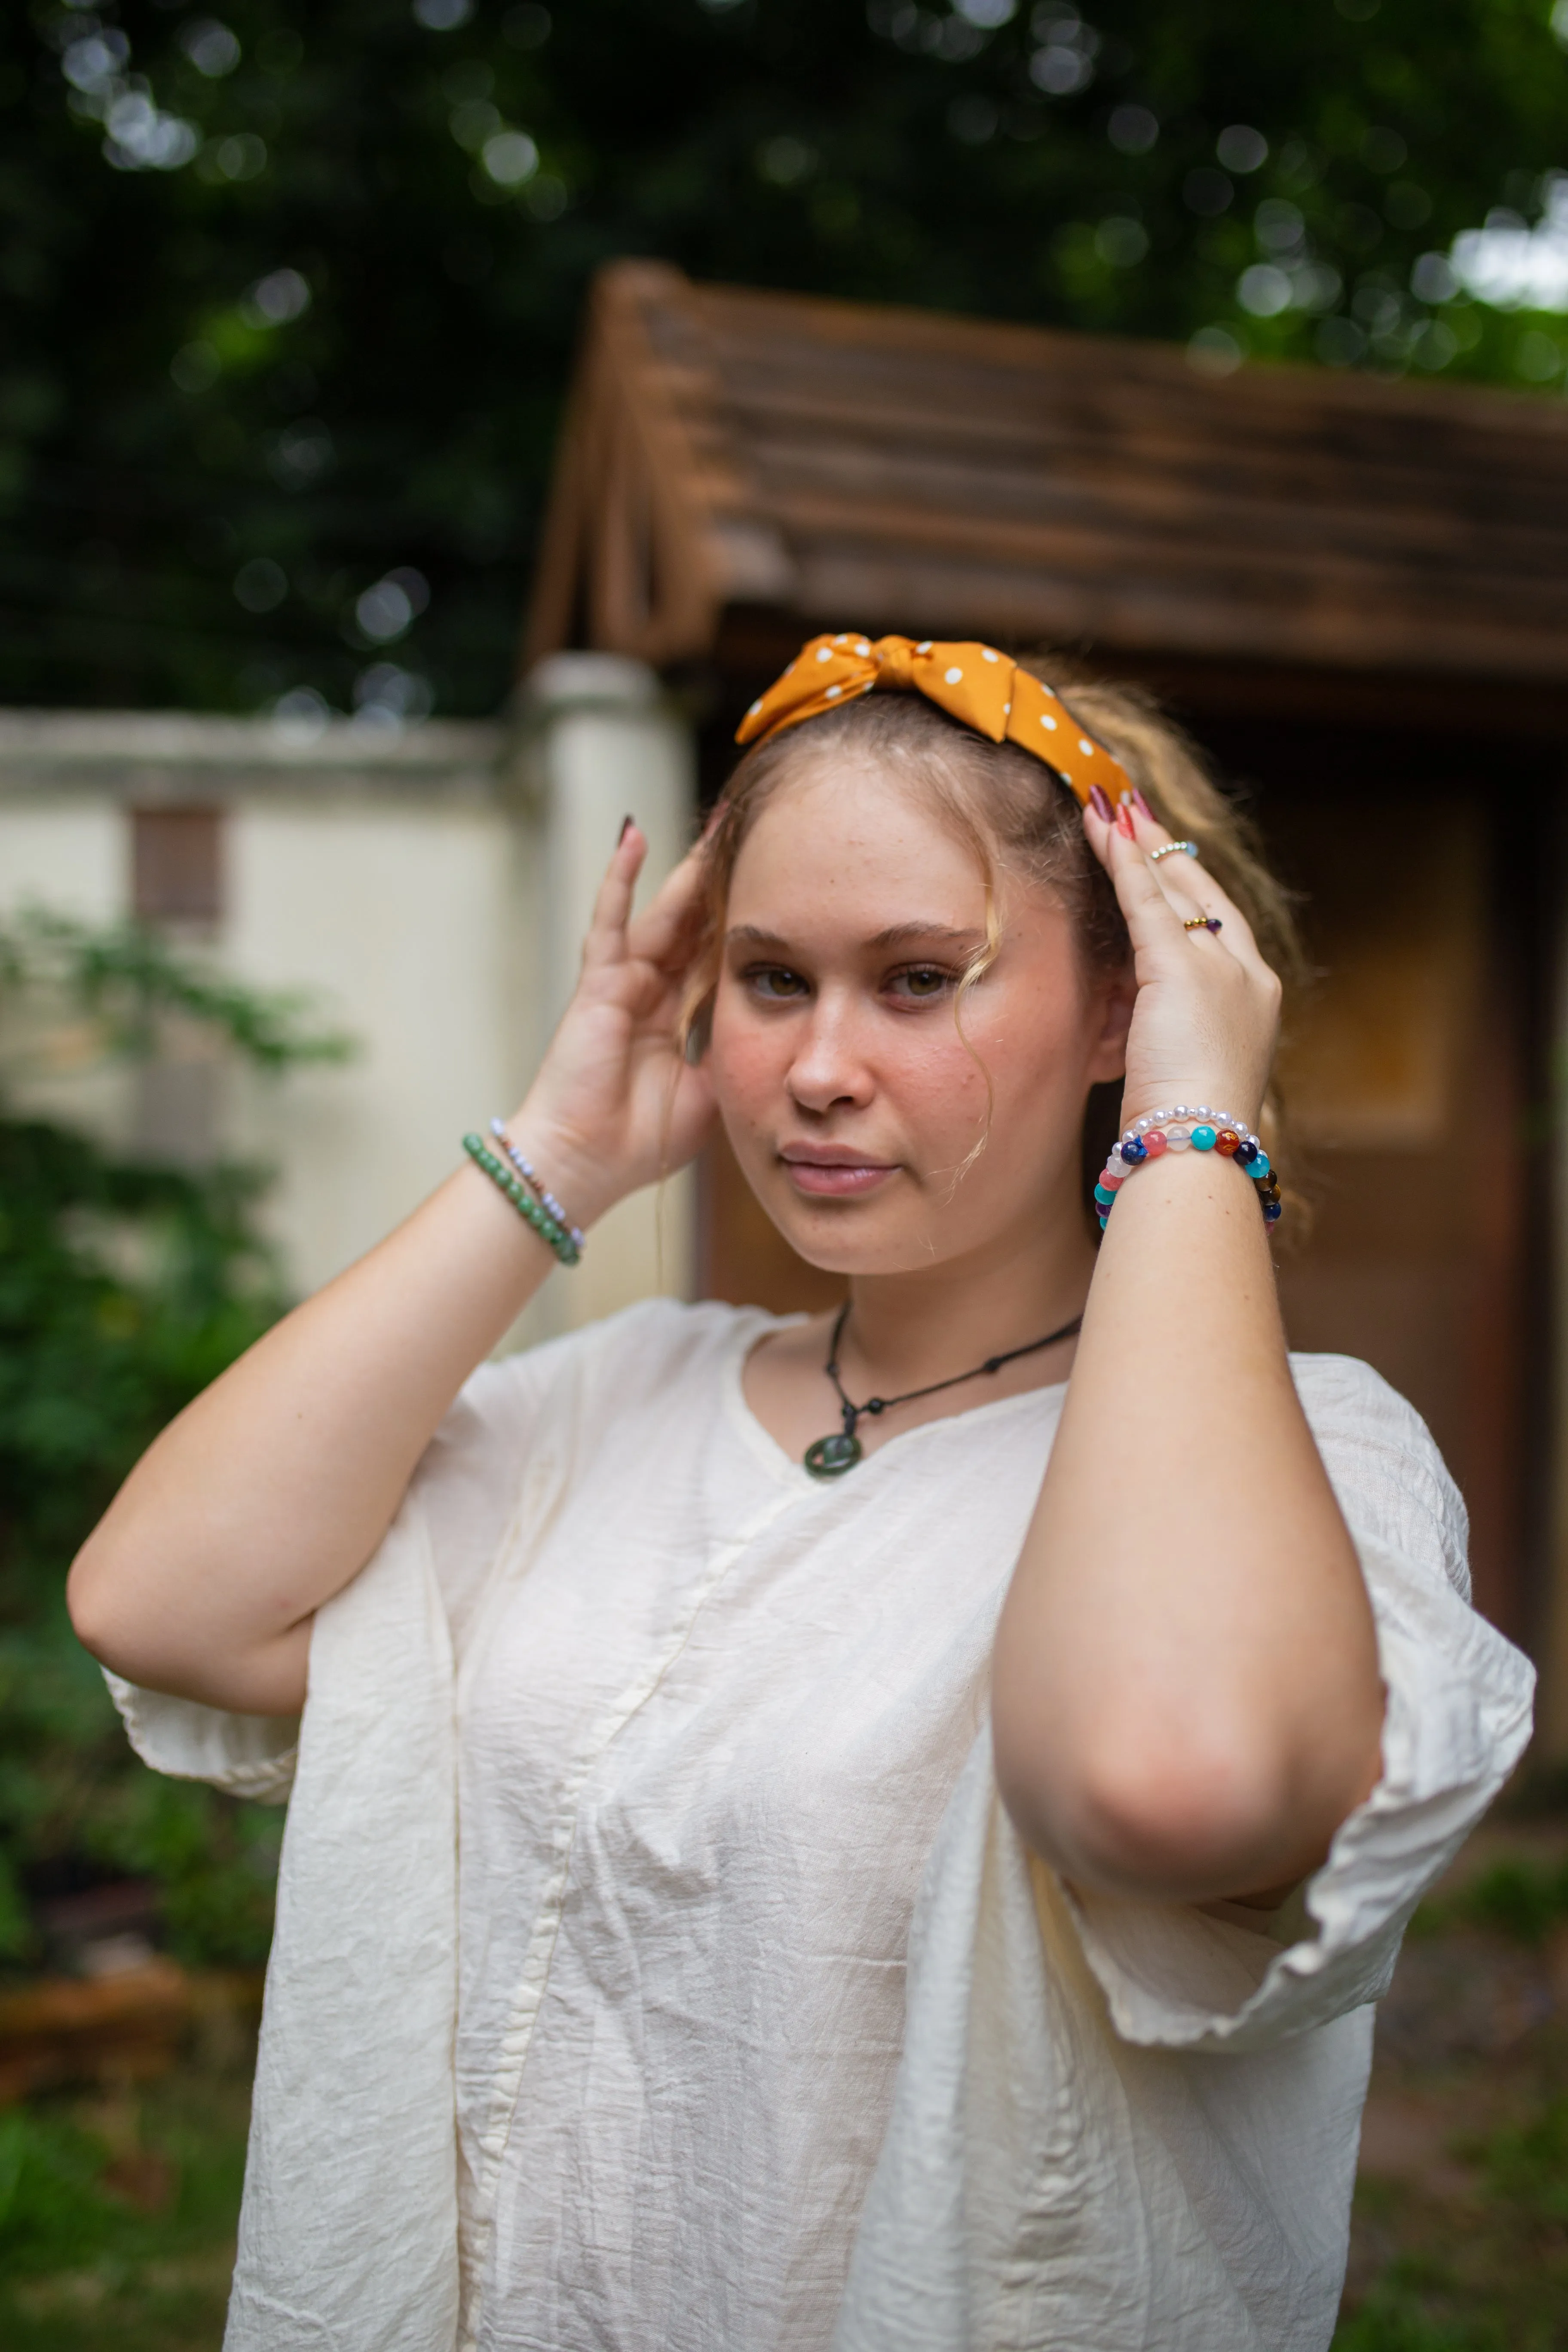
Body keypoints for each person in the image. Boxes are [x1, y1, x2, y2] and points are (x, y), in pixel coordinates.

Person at [69, 634, 1532, 2352]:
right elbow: (162, 1606)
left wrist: (1196, 1128)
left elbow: (1167, 1777)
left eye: (919, 979)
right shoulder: (619, 1394)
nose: (818, 1068)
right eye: (773, 979)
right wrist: (560, 1153)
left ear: (1126, 996)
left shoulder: (1317, 1458)